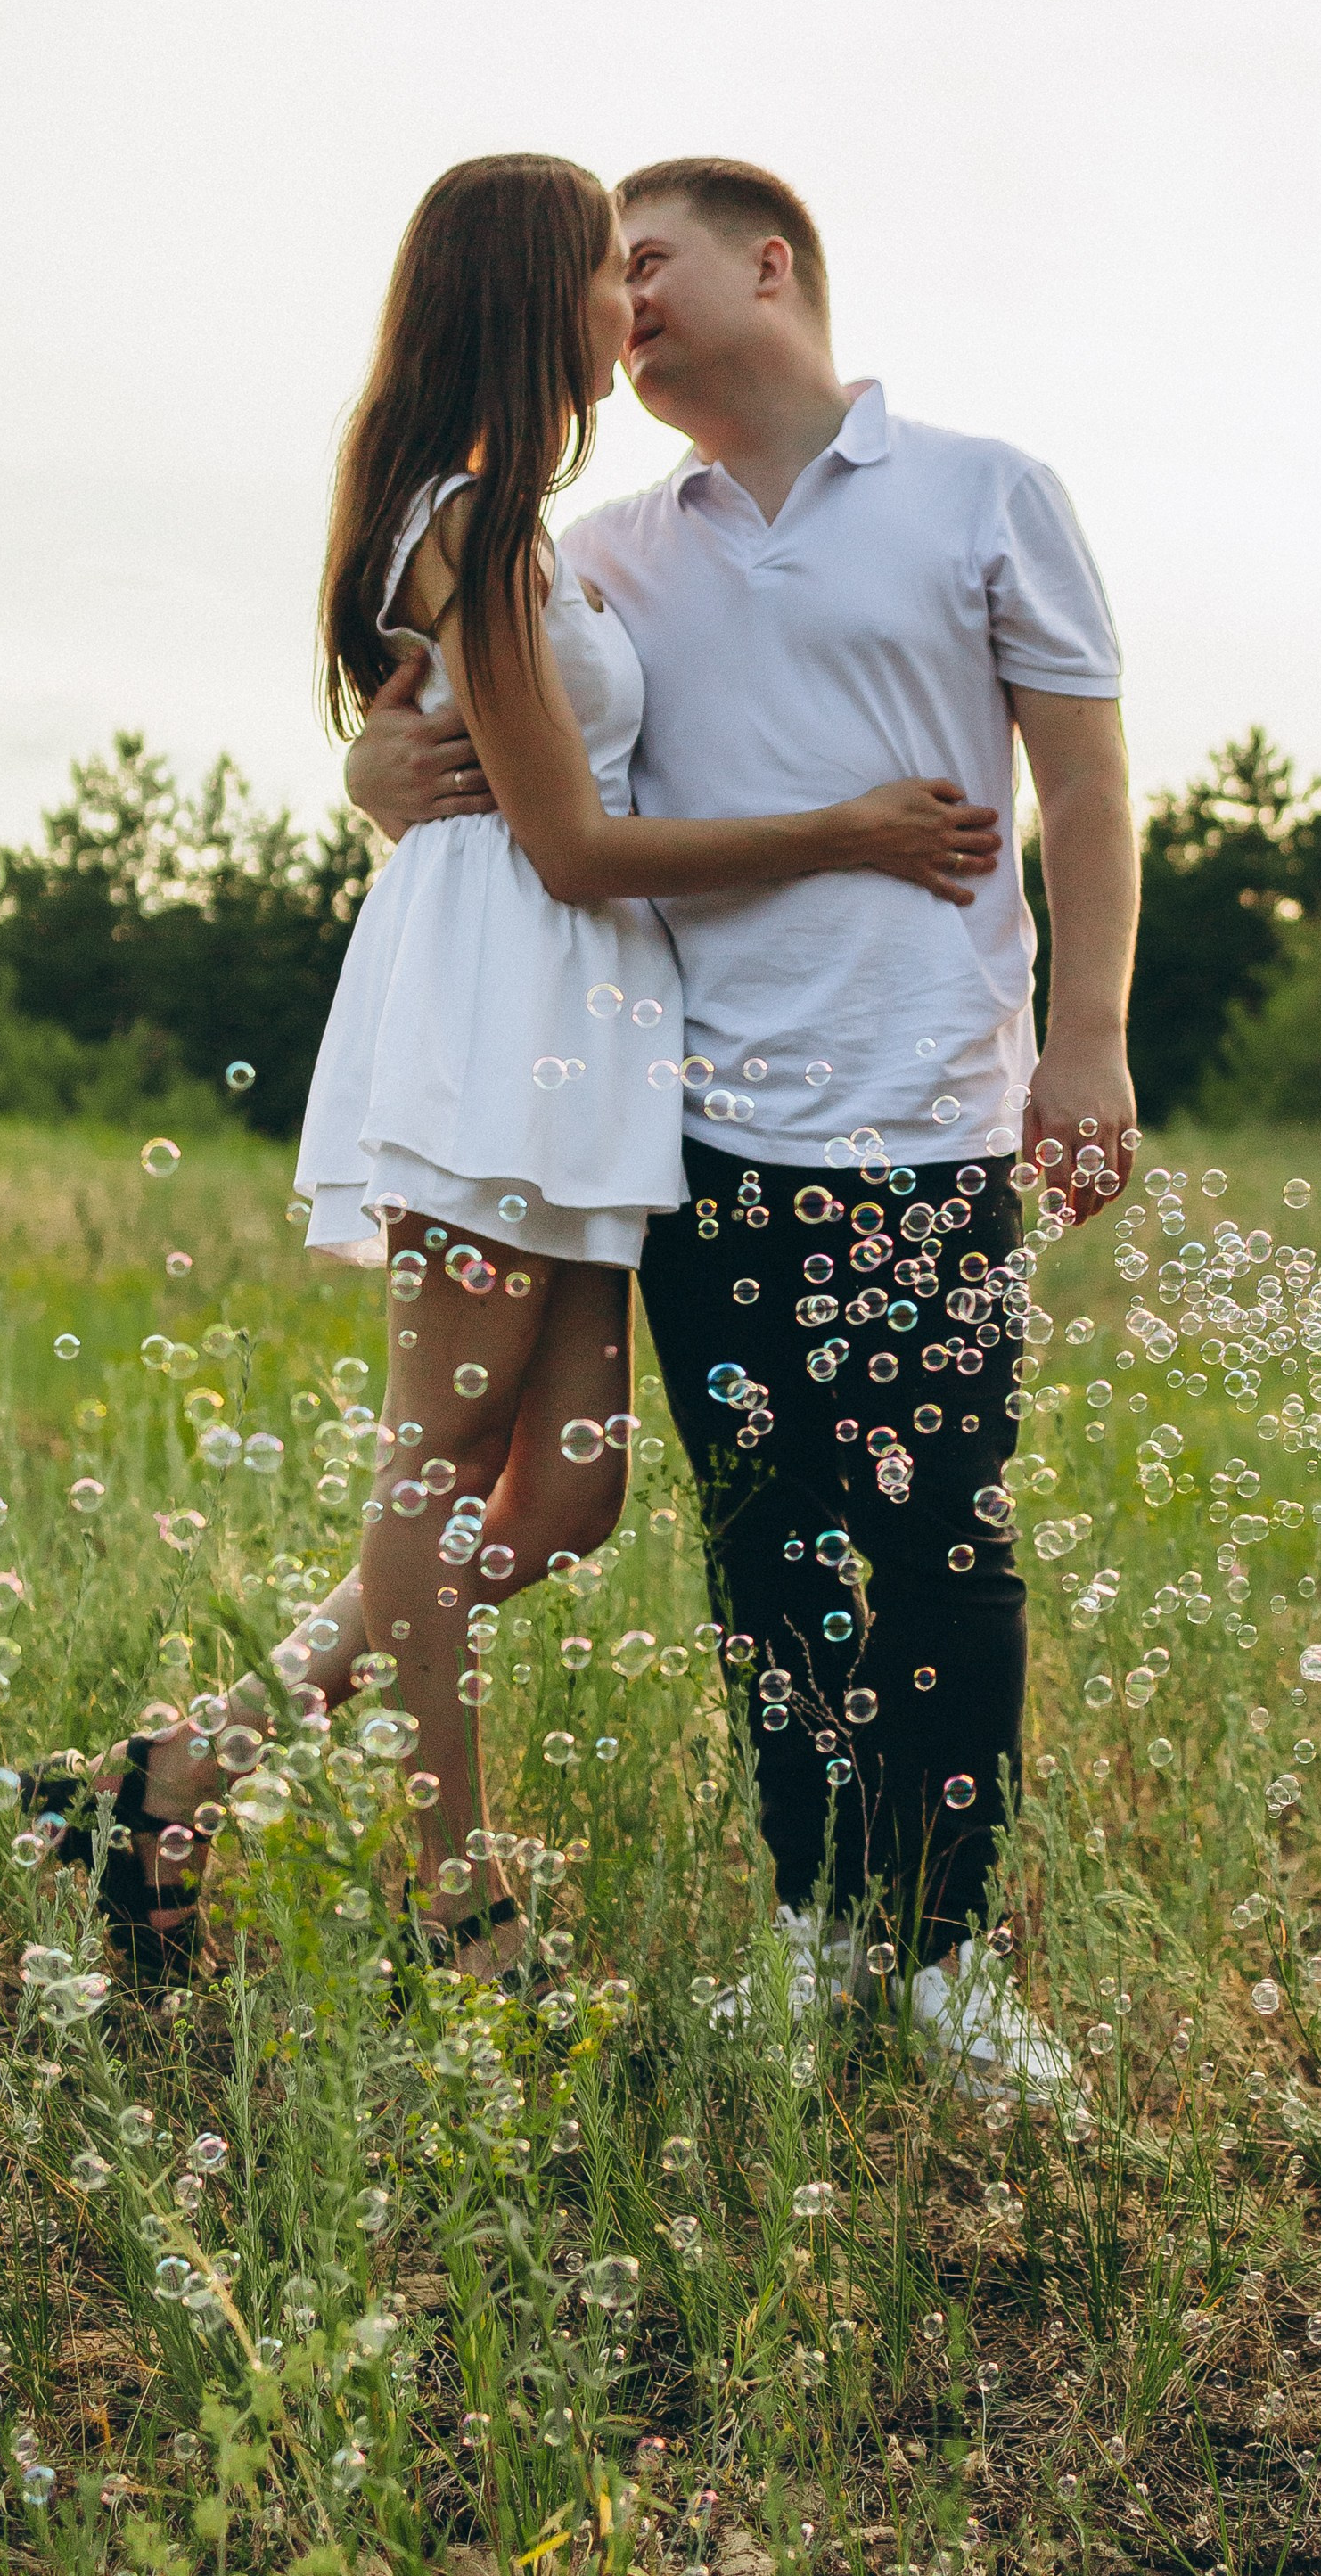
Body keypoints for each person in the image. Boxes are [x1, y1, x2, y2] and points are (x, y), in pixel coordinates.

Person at [27, 155, 999, 1979]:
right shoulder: (468, 520)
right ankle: (450, 1893)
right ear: (527, 294)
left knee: (563, 1493)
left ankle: (171, 1770)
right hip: (502, 1024)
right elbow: (561, 845)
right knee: (438, 1460)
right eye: (598, 271)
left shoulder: (508, 523)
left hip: (576, 1035)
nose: (625, 303)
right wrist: (849, 828)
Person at [348, 157, 1136, 2097]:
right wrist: (372, 761)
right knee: (765, 1543)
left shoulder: (982, 490)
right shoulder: (608, 543)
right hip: (687, 1126)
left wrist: (1091, 1043)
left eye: (652, 263)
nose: (620, 306)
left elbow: (1089, 785)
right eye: (602, 278)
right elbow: (483, 730)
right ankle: (812, 1931)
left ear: (769, 263)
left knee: (941, 1538)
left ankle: (946, 1955)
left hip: (934, 1113)